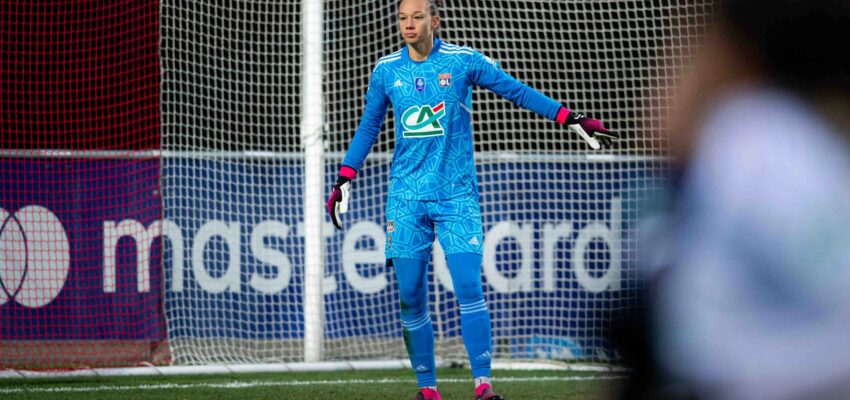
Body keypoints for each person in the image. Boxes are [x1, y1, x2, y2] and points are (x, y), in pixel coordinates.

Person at [326, 1, 618, 399]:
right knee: (410, 294)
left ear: (435, 20)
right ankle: (428, 390)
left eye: (417, 16)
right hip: (406, 199)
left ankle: (483, 385)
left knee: (468, 286)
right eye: (402, 17)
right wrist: (345, 176)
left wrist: (568, 117)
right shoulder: (386, 71)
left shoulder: (463, 62)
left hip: (456, 196)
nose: (409, 24)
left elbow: (516, 91)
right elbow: (368, 126)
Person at [618, 0, 850, 399]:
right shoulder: (741, 152)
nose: (667, 75)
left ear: (731, 52)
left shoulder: (756, 145)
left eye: (688, 49)